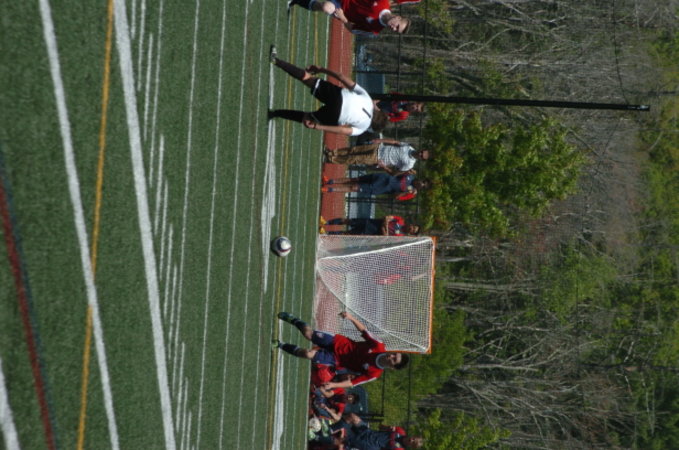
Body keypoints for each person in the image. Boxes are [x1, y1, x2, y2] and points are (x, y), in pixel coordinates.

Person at [269, 47, 388, 136]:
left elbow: (341, 77)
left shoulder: (367, 99)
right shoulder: (363, 128)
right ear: (372, 127)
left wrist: (321, 69)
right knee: (308, 118)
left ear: (378, 111)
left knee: (307, 78)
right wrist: (318, 127)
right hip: (337, 116)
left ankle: (276, 61)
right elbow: (342, 130)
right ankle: (274, 113)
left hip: (339, 96)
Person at [274, 311, 409, 388]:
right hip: (338, 342)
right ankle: (294, 320)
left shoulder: (374, 374)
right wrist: (350, 317)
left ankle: (280, 345)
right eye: (394, 354)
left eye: (394, 359)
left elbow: (352, 382)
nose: (391, 356)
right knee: (308, 334)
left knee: (308, 354)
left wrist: (333, 385)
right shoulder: (378, 346)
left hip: (336, 359)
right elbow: (364, 330)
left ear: (392, 367)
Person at [287, 0, 411, 35]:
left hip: (341, 8)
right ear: (398, 18)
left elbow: (352, 29)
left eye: (396, 31)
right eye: (397, 26)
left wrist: (343, 18)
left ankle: (298, 1)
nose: (394, 29)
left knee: (326, 7)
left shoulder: (375, 30)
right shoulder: (383, 2)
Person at [325, 140, 430, 174]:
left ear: (421, 159)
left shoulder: (409, 164)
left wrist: (383, 166)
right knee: (354, 150)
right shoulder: (409, 147)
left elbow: (394, 173)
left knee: (354, 159)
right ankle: (332, 152)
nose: (420, 154)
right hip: (378, 147)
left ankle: (331, 159)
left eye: (422, 156)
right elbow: (394, 142)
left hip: (377, 159)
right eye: (422, 152)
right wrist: (380, 140)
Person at [332, 413, 424, 449]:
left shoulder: (400, 449)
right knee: (352, 417)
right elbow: (380, 426)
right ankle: (331, 429)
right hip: (369, 432)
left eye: (413, 442)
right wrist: (387, 428)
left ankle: (326, 438)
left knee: (344, 440)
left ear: (411, 446)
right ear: (413, 436)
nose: (411, 440)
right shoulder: (400, 431)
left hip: (371, 446)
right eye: (413, 439)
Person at [322, 172, 429, 201]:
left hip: (382, 188)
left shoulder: (411, 193)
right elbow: (395, 173)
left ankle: (329, 189)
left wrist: (406, 192)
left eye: (422, 186)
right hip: (382, 177)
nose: (421, 184)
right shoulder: (410, 175)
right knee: (355, 179)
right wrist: (405, 171)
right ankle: (330, 181)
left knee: (354, 188)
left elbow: (395, 197)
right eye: (422, 182)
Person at [325, 215, 420, 236]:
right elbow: (386, 218)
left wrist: (384, 226)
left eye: (413, 231)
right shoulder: (400, 220)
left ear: (411, 233)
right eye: (413, 227)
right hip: (370, 223)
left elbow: (385, 238)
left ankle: (327, 233)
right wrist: (385, 227)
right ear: (412, 225)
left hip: (370, 232)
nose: (411, 229)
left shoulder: (400, 236)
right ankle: (327, 223)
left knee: (347, 234)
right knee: (348, 221)